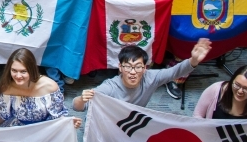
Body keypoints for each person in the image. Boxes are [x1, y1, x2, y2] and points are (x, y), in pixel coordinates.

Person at [73, 40, 213, 110]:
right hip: (109, 123)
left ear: (145, 68)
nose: (133, 72)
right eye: (128, 66)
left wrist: (193, 60)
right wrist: (81, 99)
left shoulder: (150, 78)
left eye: (138, 67)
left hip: (132, 121)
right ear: (120, 68)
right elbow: (77, 107)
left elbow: (174, 72)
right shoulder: (110, 87)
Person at [0, 48, 80, 128]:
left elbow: (57, 117)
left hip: (44, 129)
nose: (18, 76)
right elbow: (2, 116)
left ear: (32, 70)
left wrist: (68, 124)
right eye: (14, 70)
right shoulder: (6, 88)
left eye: (23, 71)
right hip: (17, 128)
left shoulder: (50, 87)